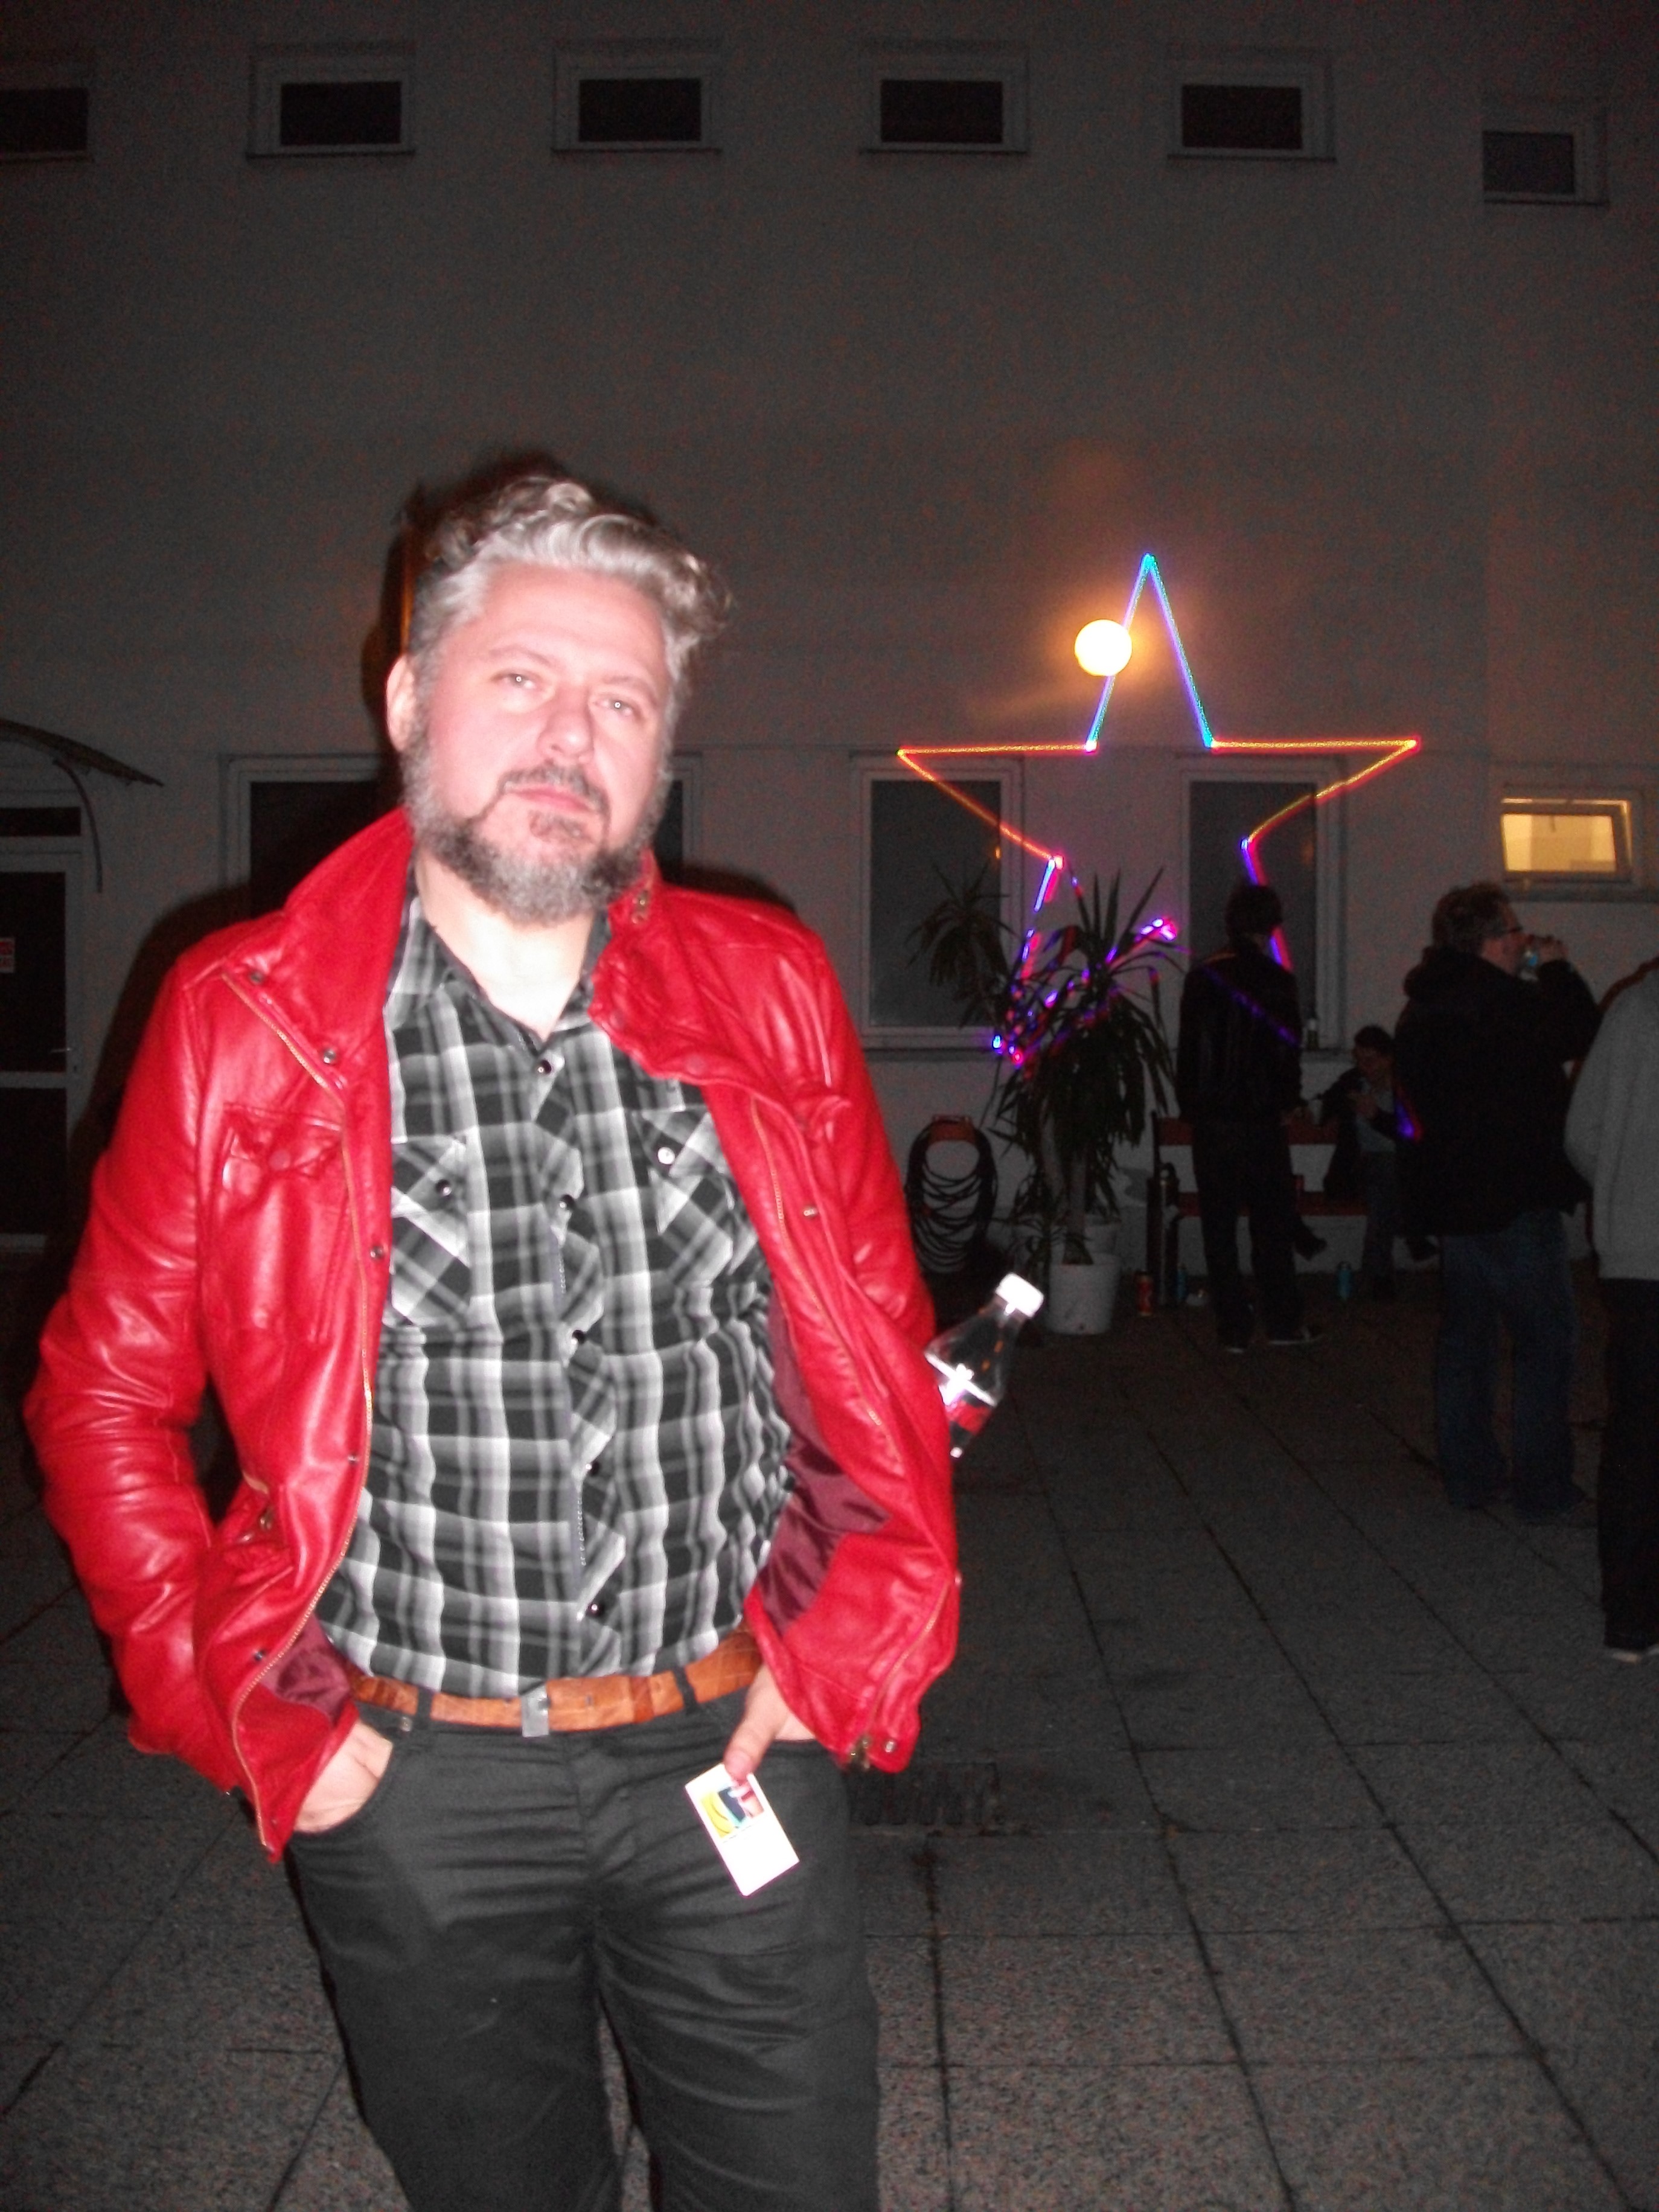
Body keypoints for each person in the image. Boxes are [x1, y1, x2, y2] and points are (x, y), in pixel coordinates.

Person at [25, 472, 958, 2212]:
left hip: (724, 1738)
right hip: (412, 1771)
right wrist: (242, 1705)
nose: (569, 738)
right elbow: (104, 1391)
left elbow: (869, 1353)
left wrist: (834, 1651)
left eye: (622, 700)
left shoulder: (765, 985)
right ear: (407, 699)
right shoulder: (243, 1020)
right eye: (519, 679)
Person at [1394, 881, 1599, 1521]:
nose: (1523, 939)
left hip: (1455, 1199)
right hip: (1515, 1196)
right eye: (1514, 931)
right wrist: (1557, 969)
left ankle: (1470, 1475)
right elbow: (1578, 1031)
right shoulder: (1503, 1002)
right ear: (1490, 942)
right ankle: (1543, 1487)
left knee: (1467, 1342)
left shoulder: (1423, 1006)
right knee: (1546, 1342)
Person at [1565, 959, 1659, 1660]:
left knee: (1637, 1436)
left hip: (1638, 1257)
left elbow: (1583, 1131)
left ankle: (1630, 1618)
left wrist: (1626, 1193)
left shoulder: (1632, 1009)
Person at [1175, 878, 1313, 1351]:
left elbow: (1190, 1053)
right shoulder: (1277, 981)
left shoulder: (1203, 978)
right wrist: (1287, 1101)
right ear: (1270, 927)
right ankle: (1282, 1320)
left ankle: (1233, 1325)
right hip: (1260, 1119)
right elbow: (1286, 1051)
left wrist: (1193, 1106)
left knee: (1219, 1226)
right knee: (1271, 1223)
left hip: (1214, 1121)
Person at [1320, 1024, 1404, 1297]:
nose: (1363, 1067)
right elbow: (1329, 1100)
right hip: (1360, 1168)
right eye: (1359, 1060)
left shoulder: (1404, 1088)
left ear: (1388, 1059)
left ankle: (1379, 1274)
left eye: (1370, 1061)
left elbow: (1413, 1135)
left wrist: (1376, 1117)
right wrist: (1333, 1114)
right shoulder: (1354, 1082)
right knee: (1384, 1176)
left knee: (1386, 1183)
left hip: (1407, 1171)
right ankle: (1380, 1275)